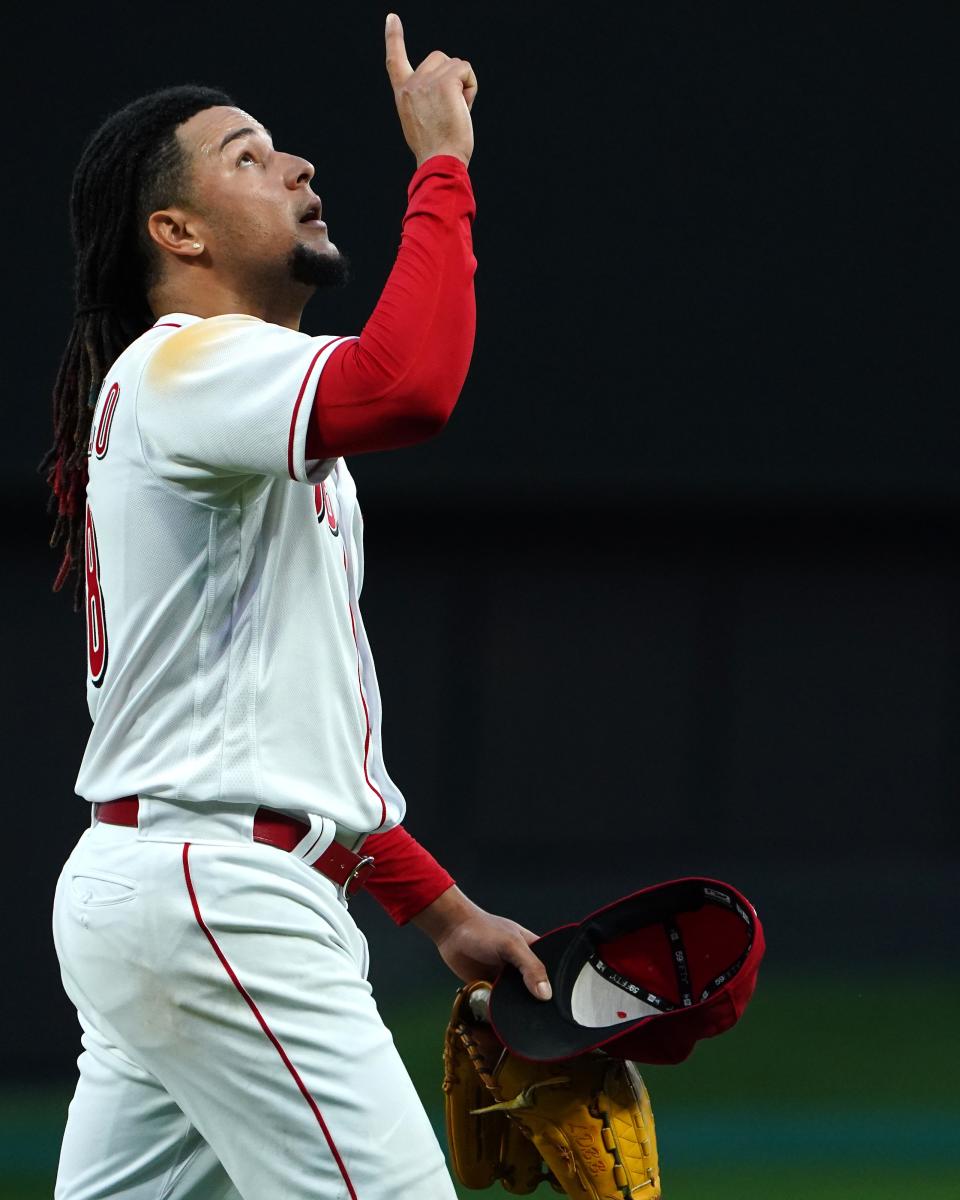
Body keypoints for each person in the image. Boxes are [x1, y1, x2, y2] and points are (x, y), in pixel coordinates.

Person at [44, 14, 550, 1199]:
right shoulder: (189, 365)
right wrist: (442, 166)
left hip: (173, 883)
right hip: (219, 898)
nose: (299, 167)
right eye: (247, 156)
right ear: (175, 230)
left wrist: (439, 911)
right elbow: (411, 385)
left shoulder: (227, 409)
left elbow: (282, 727)